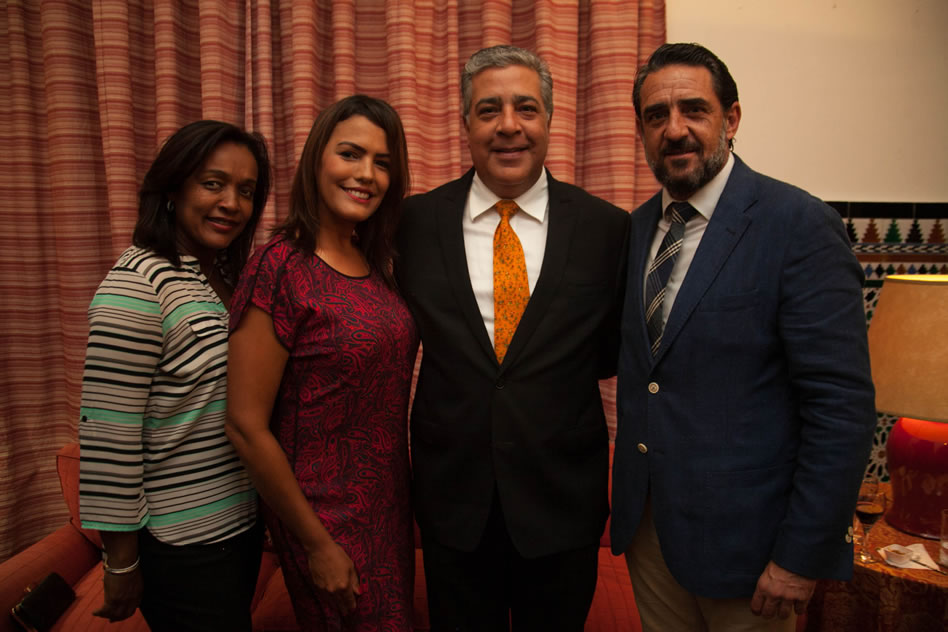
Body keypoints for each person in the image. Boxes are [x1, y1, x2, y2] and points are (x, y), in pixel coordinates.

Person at [610, 42, 877, 631]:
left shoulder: (798, 225)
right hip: (651, 534)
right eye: (656, 116)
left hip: (754, 551)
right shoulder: (634, 230)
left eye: (693, 109)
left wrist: (801, 555)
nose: (674, 129)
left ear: (731, 119)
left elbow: (841, 407)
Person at [395, 45, 629, 630]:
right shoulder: (413, 223)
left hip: (562, 507)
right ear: (465, 123)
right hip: (454, 507)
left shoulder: (607, 229)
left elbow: (607, 353)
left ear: (548, 118)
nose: (508, 125)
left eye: (526, 108)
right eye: (488, 109)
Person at [225, 95, 417, 631]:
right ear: (316, 160)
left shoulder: (375, 262)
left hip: (386, 508)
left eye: (382, 163)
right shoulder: (280, 265)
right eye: (351, 154)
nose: (367, 174)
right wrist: (315, 544)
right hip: (323, 516)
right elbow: (244, 425)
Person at [78, 120, 272, 631]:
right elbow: (109, 439)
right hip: (182, 543)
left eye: (246, 191)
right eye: (213, 184)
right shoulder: (136, 286)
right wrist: (121, 562)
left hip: (238, 527)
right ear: (172, 189)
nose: (231, 203)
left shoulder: (224, 275)